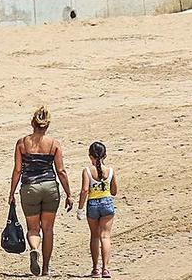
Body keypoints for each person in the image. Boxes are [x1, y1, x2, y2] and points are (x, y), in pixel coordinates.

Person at [9, 106, 74, 277]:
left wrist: (11, 193)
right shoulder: (54, 144)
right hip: (50, 187)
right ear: (47, 125)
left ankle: (34, 249)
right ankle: (45, 268)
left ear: (33, 123)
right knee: (48, 229)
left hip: (29, 188)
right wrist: (69, 194)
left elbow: (17, 170)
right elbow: (61, 171)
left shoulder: (22, 143)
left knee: (33, 229)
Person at [76, 142, 118, 278]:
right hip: (107, 204)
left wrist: (80, 209)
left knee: (94, 236)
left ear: (90, 156)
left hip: (92, 205)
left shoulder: (87, 171)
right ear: (105, 155)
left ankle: (95, 268)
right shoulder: (110, 171)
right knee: (105, 236)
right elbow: (114, 192)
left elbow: (84, 190)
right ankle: (105, 268)